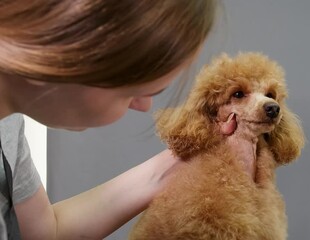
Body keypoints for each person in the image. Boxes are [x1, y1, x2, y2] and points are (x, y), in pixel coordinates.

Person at [0, 1, 237, 239]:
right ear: (50, 50)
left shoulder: (8, 125)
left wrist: (179, 164)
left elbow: (45, 232)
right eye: (131, 93)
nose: (144, 106)